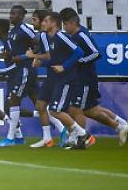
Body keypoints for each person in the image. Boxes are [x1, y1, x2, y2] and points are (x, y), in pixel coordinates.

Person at [60, 8, 128, 147]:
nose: (64, 27)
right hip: (81, 78)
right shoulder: (75, 36)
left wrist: (79, 62)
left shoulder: (81, 35)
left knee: (76, 109)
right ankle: (121, 126)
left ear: (72, 23)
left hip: (85, 79)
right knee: (89, 110)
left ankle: (81, 140)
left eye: (65, 24)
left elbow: (96, 53)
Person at [26, 12, 88, 150]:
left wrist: (63, 66)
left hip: (66, 78)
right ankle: (53, 138)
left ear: (53, 23)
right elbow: (53, 60)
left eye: (45, 21)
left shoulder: (60, 36)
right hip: (58, 77)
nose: (42, 23)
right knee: (44, 106)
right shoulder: (51, 38)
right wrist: (40, 64)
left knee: (56, 110)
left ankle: (83, 134)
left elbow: (79, 52)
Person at [0, 6, 39, 147]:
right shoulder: (13, 32)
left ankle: (11, 137)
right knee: (31, 104)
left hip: (24, 70)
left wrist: (29, 56)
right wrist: (9, 56)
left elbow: (38, 42)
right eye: (10, 13)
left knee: (13, 102)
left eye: (14, 14)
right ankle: (18, 137)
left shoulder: (25, 29)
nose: (11, 16)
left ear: (21, 16)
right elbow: (14, 55)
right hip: (17, 72)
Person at [25, 9, 68, 148]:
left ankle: (72, 133)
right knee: (41, 105)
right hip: (51, 74)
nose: (34, 23)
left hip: (57, 75)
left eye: (36, 20)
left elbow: (49, 56)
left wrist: (35, 57)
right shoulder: (43, 35)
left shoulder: (44, 35)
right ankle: (47, 138)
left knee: (57, 109)